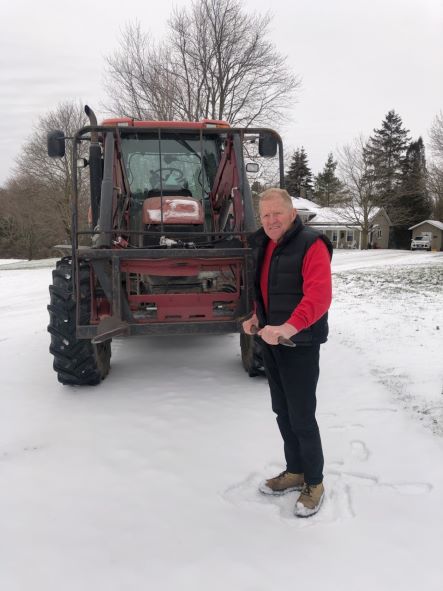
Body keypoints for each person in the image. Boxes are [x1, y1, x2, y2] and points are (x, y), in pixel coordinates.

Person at [242, 188, 332, 517]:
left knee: (302, 417)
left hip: (300, 345)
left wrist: (287, 328)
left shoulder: (312, 243)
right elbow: (265, 290)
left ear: (292, 212)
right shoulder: (265, 244)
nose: (270, 220)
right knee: (282, 411)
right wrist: (257, 317)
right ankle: (294, 471)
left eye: (276, 213)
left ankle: (315, 482)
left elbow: (319, 296)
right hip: (271, 342)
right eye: (265, 215)